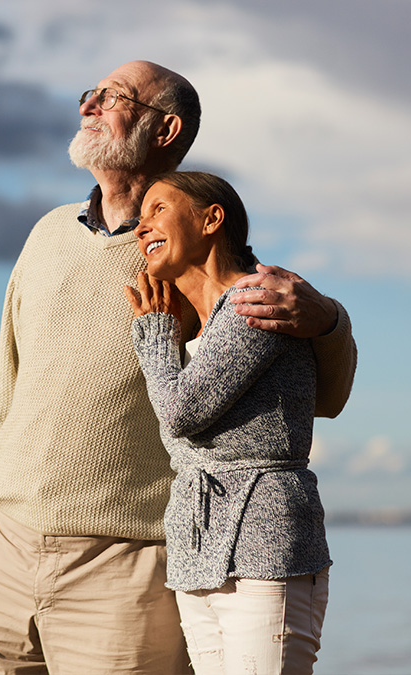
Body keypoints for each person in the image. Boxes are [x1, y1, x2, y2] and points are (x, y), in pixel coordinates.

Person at [0, 60, 356, 674]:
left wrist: (328, 317)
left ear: (165, 130)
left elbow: (321, 394)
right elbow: (4, 381)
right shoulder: (47, 233)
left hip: (128, 564)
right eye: (89, 93)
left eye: (112, 97)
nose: (89, 105)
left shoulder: (191, 260)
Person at [126, 172, 330, 674]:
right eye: (139, 216)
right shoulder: (204, 326)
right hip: (198, 548)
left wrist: (154, 337)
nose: (140, 227)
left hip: (263, 540)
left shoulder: (254, 301)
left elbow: (180, 414)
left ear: (211, 219)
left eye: (157, 209)